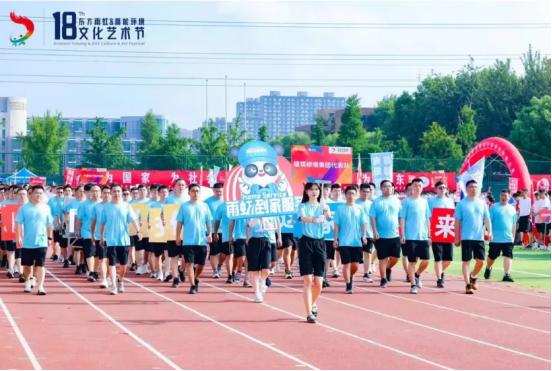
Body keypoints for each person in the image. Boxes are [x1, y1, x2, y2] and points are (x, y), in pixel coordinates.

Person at [99, 184, 141, 295]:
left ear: (121, 192)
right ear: (111, 193)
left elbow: (133, 219)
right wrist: (102, 237)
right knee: (111, 264)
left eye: (118, 191)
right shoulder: (106, 207)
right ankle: (113, 285)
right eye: (114, 191)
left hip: (124, 240)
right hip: (111, 240)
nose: (116, 193)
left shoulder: (126, 206)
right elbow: (102, 223)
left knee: (123, 265)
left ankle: (120, 280)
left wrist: (138, 231)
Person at [298, 183, 331, 323]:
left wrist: (325, 210)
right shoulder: (302, 206)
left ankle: (312, 303)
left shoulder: (322, 206)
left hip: (320, 243)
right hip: (306, 242)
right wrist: (314, 220)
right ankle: (309, 313)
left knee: (318, 282)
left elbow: (329, 218)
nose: (314, 192)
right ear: (306, 191)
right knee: (308, 280)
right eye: (311, 189)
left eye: (317, 189)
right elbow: (303, 218)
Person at [454, 180, 492, 295]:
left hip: (479, 237)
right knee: (466, 261)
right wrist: (457, 237)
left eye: (475, 187)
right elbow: (457, 222)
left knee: (481, 261)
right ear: (466, 189)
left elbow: (487, 219)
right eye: (471, 187)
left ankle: (473, 276)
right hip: (466, 237)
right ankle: (467, 284)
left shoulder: (482, 203)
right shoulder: (461, 204)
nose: (473, 189)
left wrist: (490, 232)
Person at [15, 185, 53, 295]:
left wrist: (49, 237)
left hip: (41, 242)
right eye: (37, 193)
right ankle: (28, 280)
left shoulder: (46, 208)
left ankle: (40, 286)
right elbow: (18, 223)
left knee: (41, 265)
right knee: (27, 266)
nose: (39, 195)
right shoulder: (24, 208)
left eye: (41, 193)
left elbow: (49, 224)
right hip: (27, 242)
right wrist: (18, 237)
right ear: (31, 194)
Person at [175, 183, 212, 294]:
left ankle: (195, 278)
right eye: (193, 191)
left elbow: (208, 222)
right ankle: (192, 285)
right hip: (188, 241)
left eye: (197, 191)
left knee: (201, 265)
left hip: (202, 241)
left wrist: (209, 234)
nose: (195, 193)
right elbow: (179, 223)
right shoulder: (184, 206)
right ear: (189, 193)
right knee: (190, 263)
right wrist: (177, 236)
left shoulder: (204, 206)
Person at [399, 178, 431, 294]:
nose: (417, 187)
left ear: (422, 187)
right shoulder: (406, 202)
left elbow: (427, 219)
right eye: (415, 185)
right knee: (412, 261)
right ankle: (413, 285)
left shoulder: (424, 201)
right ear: (411, 187)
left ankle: (417, 275)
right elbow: (402, 218)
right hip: (410, 236)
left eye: (419, 185)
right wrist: (402, 234)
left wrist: (429, 235)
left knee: (426, 260)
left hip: (422, 236)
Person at [334, 185, 367, 294]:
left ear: (356, 195)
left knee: (355, 265)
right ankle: (348, 284)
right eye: (349, 193)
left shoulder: (359, 208)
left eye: (353, 194)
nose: (351, 196)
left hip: (357, 241)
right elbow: (336, 225)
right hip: (344, 241)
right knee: (346, 264)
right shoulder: (340, 208)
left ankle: (350, 276)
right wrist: (335, 239)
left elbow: (363, 223)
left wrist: (364, 235)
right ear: (345, 194)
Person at [369, 180, 402, 288]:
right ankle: (383, 278)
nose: (387, 188)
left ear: (393, 188)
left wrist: (402, 232)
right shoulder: (376, 202)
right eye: (384, 186)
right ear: (381, 188)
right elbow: (372, 217)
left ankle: (388, 268)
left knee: (396, 257)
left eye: (389, 186)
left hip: (395, 234)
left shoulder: (397, 201)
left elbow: (401, 217)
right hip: (381, 235)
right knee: (382, 258)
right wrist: (374, 231)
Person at [484, 190, 518, 282]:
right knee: (492, 257)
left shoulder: (512, 209)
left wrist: (513, 238)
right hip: (495, 239)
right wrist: (488, 232)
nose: (504, 197)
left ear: (509, 197)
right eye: (502, 195)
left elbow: (514, 224)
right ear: (500, 196)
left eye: (505, 196)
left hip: (508, 238)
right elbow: (488, 221)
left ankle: (507, 274)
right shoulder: (494, 207)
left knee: (508, 256)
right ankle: (488, 267)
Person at [246, 215, 281, 303]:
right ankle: (257, 292)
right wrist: (247, 238)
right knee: (254, 269)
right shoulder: (251, 211)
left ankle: (262, 281)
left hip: (267, 240)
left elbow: (275, 225)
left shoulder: (270, 212)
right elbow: (248, 225)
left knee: (266, 268)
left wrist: (265, 221)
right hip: (254, 240)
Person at [428, 180, 455, 288]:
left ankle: (440, 271)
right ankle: (439, 279)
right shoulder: (431, 201)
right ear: (436, 189)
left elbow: (453, 217)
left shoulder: (450, 201)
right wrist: (429, 233)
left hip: (448, 231)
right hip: (436, 231)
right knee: (438, 258)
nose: (442, 189)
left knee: (448, 259)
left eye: (444, 187)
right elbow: (429, 217)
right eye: (440, 188)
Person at [75, 184, 101, 282]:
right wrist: (77, 230)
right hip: (87, 232)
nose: (95, 193)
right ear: (89, 192)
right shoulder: (84, 204)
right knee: (89, 253)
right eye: (93, 191)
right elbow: (79, 219)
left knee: (98, 255)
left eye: (97, 191)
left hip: (100, 234)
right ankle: (91, 271)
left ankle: (95, 271)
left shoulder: (103, 204)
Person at [90, 185, 111, 288]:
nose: (106, 195)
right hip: (100, 236)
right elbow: (93, 222)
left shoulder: (115, 206)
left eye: (108, 193)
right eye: (105, 193)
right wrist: (92, 234)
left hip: (113, 237)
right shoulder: (97, 207)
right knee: (102, 259)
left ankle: (108, 277)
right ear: (101, 194)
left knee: (110, 260)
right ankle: (103, 279)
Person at [205, 183, 225, 278]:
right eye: (217, 191)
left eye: (220, 191)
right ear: (213, 191)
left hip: (225, 230)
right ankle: (215, 270)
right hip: (212, 230)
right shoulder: (207, 202)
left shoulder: (227, 201)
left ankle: (220, 265)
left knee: (224, 253)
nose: (219, 193)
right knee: (214, 251)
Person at [356, 183, 375, 283]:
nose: (366, 194)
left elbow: (374, 219)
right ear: (360, 191)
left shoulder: (372, 204)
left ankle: (366, 274)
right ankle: (351, 273)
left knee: (367, 254)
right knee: (355, 256)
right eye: (364, 191)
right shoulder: (355, 203)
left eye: (368, 192)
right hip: (355, 234)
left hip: (369, 233)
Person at [214, 201, 235, 283]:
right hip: (227, 235)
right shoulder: (222, 206)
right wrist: (215, 232)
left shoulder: (241, 204)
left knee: (237, 257)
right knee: (229, 255)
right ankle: (230, 275)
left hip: (240, 236)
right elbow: (217, 220)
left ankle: (234, 272)